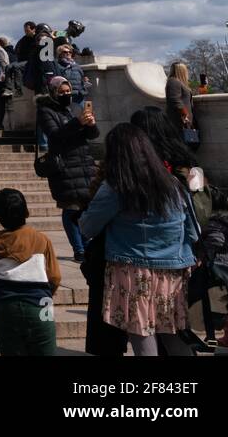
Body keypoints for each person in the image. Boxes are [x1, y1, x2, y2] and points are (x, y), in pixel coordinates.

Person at [79, 122, 199, 357]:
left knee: (141, 332)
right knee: (172, 332)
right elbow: (193, 232)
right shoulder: (173, 184)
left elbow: (88, 227)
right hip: (173, 271)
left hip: (132, 271)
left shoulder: (116, 186)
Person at [0, 188, 62, 356]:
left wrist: (5, 294)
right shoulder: (42, 240)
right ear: (27, 211)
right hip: (41, 308)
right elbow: (54, 276)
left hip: (7, 309)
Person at [36, 75, 98, 262]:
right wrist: (77, 123)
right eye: (62, 92)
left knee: (86, 208)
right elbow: (54, 135)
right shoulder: (45, 110)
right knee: (71, 208)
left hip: (84, 163)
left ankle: (88, 245)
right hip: (64, 165)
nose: (66, 94)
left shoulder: (72, 109)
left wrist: (90, 125)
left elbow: (92, 135)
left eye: (68, 91)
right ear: (53, 92)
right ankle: (79, 249)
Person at [193, 189, 228, 349]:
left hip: (227, 272)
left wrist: (200, 255)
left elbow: (216, 240)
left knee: (212, 303)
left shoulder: (213, 222)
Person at [165, 62, 194, 140]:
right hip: (180, 120)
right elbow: (175, 99)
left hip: (184, 120)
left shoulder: (179, 82)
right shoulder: (173, 81)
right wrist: (185, 114)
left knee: (190, 142)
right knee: (186, 144)